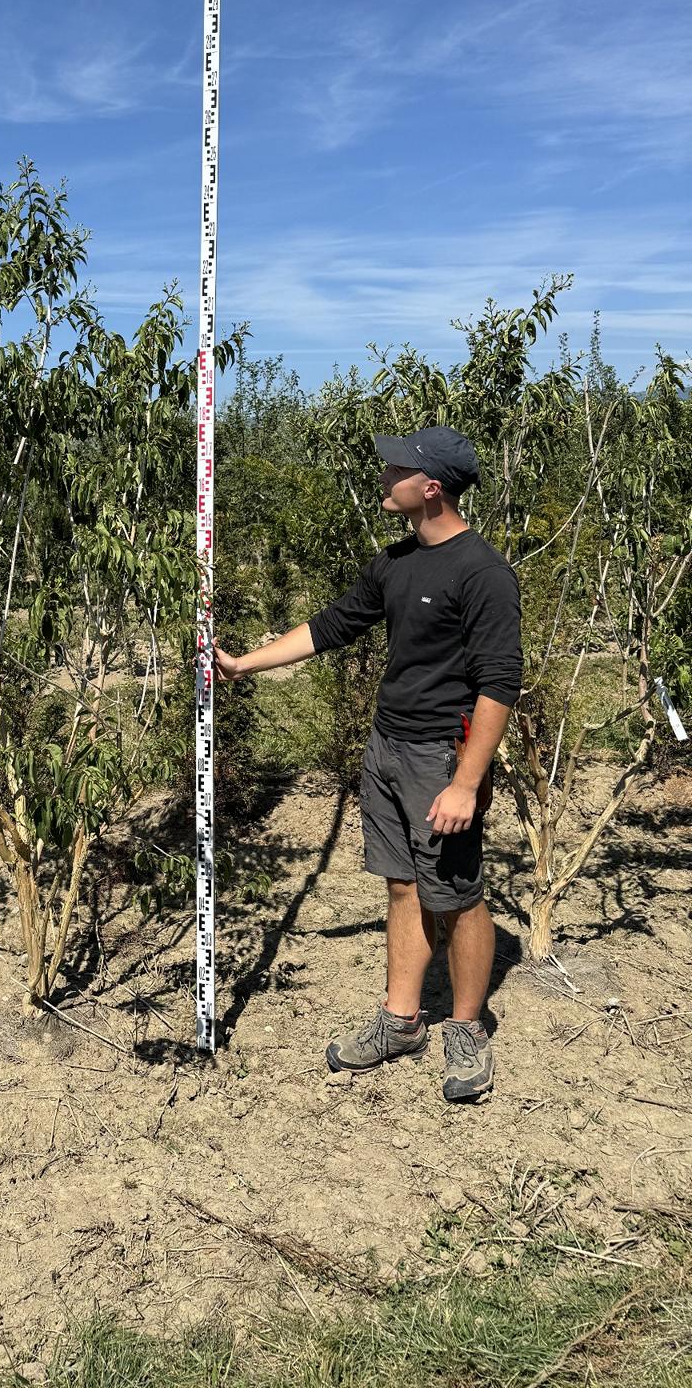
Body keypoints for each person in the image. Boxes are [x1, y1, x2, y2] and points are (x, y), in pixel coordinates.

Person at [213, 426, 521, 1102]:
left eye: (397, 469)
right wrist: (243, 665)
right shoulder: (395, 563)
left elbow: (500, 684)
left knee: (460, 898)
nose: (385, 477)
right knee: (403, 887)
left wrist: (467, 781)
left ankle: (467, 1029)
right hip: (386, 747)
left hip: (444, 756)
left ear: (431, 486)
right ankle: (401, 1019)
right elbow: (331, 627)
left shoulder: (483, 573)